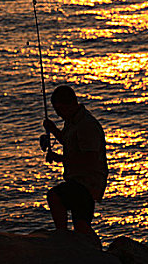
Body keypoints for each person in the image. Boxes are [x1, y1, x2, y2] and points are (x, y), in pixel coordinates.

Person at [42, 85, 108, 248]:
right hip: (79, 181)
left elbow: (90, 159)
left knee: (55, 197)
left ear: (68, 104)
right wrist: (53, 130)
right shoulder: (73, 121)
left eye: (59, 110)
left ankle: (63, 239)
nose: (58, 114)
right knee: (81, 226)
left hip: (88, 183)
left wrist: (59, 158)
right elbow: (69, 142)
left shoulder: (86, 125)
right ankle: (98, 252)